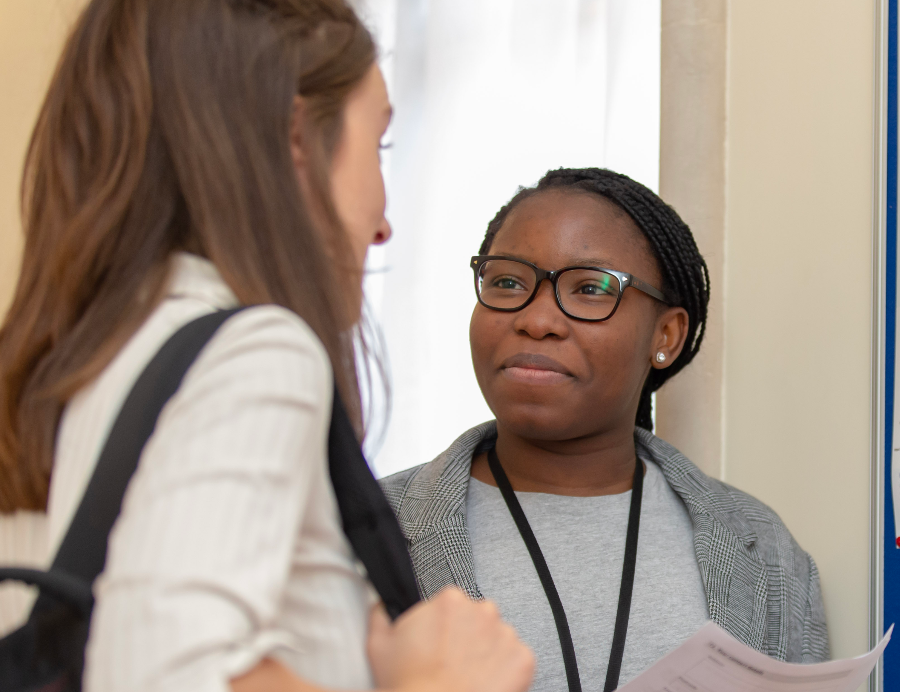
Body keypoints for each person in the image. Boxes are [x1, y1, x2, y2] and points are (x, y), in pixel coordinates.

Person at [0, 1, 535, 691]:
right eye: (379, 147)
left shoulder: (58, 372)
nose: (384, 225)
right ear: (294, 139)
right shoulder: (256, 354)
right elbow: (161, 675)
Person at [381, 167, 829, 692]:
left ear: (666, 334)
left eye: (591, 288)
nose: (537, 319)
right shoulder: (367, 527)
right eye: (507, 282)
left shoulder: (763, 549)